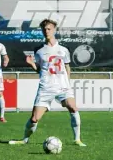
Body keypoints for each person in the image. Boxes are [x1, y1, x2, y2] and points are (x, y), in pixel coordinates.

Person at [9, 19, 86, 147]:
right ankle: (24, 139)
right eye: (44, 29)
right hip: (46, 87)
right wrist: (32, 64)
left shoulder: (63, 50)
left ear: (54, 30)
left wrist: (67, 82)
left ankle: (77, 139)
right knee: (34, 118)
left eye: (49, 29)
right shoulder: (39, 50)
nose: (46, 31)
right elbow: (41, 70)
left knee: (73, 107)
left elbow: (67, 67)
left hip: (63, 87)